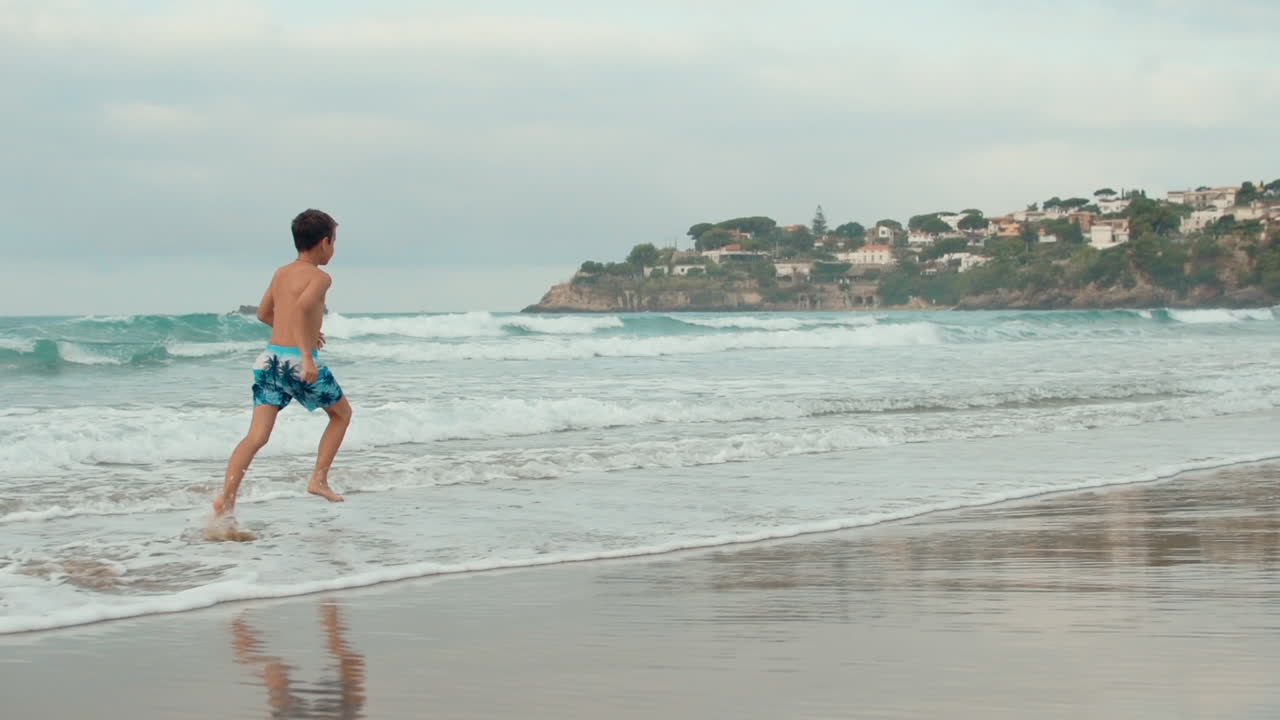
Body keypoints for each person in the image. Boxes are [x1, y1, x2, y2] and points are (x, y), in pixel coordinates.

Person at [214, 209, 353, 517]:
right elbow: (304, 308)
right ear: (324, 242)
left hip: (269, 360)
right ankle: (318, 479)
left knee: (256, 436)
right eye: (334, 242)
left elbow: (265, 314)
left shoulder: (280, 273)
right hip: (295, 362)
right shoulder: (321, 277)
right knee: (342, 415)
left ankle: (226, 499)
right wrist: (306, 353)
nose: (333, 249)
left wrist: (302, 334)